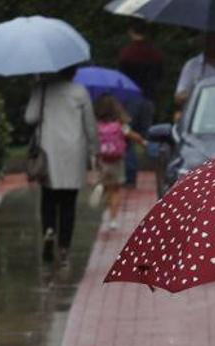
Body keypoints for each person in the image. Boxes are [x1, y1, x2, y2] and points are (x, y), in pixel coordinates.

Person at [25, 66, 98, 265]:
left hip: (49, 150)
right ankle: (64, 247)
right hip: (74, 151)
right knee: (68, 201)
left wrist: (36, 91)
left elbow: (29, 117)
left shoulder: (43, 88)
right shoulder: (80, 91)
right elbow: (90, 125)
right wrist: (94, 149)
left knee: (48, 194)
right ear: (73, 72)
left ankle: (49, 229)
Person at [118, 20, 162, 187]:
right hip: (149, 98)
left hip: (131, 98)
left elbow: (121, 79)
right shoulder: (155, 54)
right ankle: (159, 173)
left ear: (131, 31)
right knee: (149, 136)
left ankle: (130, 177)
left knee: (128, 136)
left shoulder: (127, 54)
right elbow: (159, 75)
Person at [93, 94, 146, 230]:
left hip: (102, 161)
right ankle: (113, 220)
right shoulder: (120, 125)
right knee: (116, 190)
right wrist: (144, 142)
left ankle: (102, 188)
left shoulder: (97, 126)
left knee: (107, 186)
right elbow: (133, 136)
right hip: (117, 161)